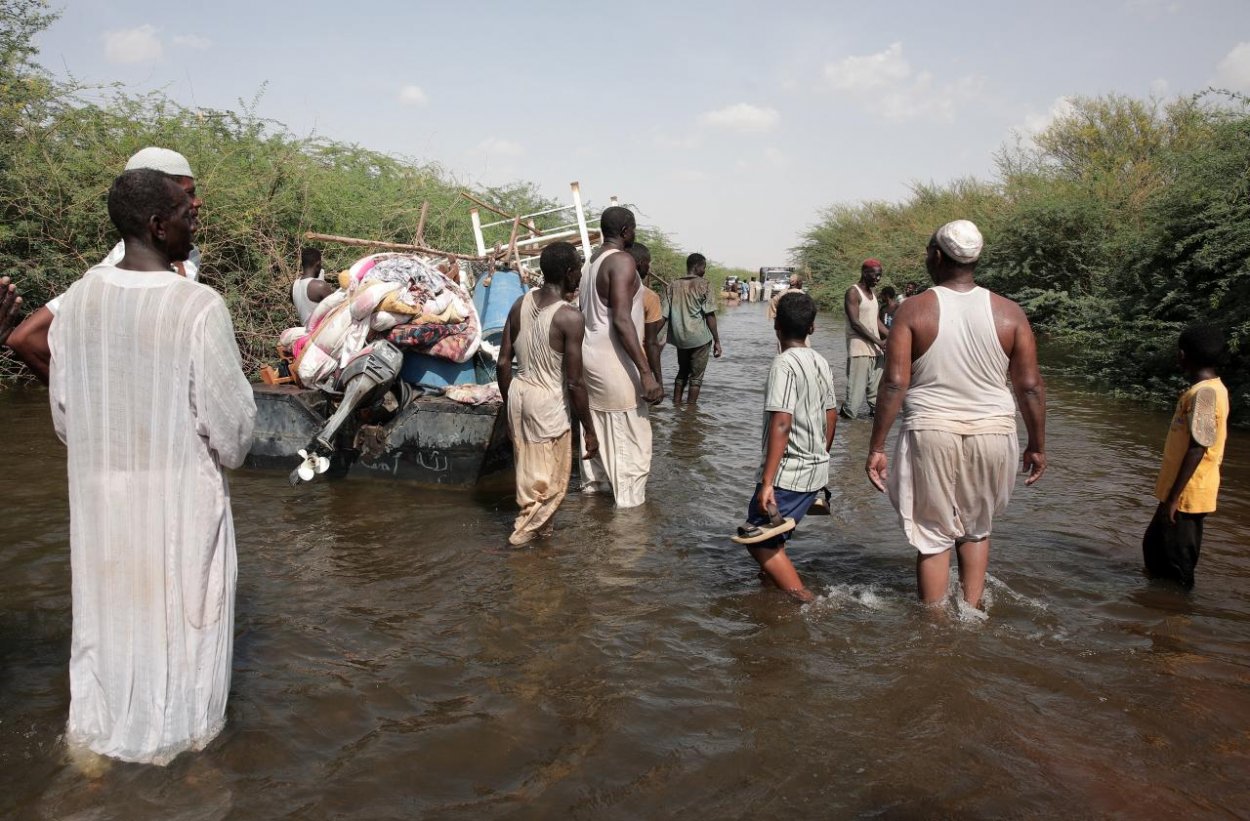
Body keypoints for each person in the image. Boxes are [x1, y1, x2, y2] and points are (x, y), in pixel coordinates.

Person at [49, 168, 256, 764]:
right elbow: (234, 435)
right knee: (187, 626)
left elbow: (65, 418)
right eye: (187, 215)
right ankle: (188, 755)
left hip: (100, 504)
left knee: (108, 617)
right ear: (158, 225)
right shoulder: (197, 306)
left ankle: (92, 747)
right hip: (181, 503)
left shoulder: (77, 299)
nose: (196, 223)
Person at [866, 220, 1046, 608]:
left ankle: (934, 629)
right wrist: (1036, 444)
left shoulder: (914, 310)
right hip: (994, 432)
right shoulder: (1010, 313)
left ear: (936, 256)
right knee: (976, 529)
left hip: (930, 430)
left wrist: (876, 446)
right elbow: (1029, 386)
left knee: (933, 536)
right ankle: (971, 615)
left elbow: (894, 384)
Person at [5, 147, 205, 384]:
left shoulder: (188, 254)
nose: (197, 202)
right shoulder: (117, 270)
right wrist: (78, 399)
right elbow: (26, 339)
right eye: (188, 194)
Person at [734, 292, 837, 602]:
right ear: (812, 328)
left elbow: (781, 422)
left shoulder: (784, 364)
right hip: (814, 471)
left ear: (776, 326)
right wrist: (821, 456)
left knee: (757, 540)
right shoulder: (820, 361)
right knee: (774, 538)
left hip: (788, 475)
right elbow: (831, 415)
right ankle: (770, 599)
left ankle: (807, 601)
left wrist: (767, 483)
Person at [498, 241, 599, 546]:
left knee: (530, 476)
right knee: (550, 485)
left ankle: (542, 548)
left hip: (518, 394)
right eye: (578, 270)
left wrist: (510, 405)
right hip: (547, 404)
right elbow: (575, 383)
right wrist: (590, 430)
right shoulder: (569, 317)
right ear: (568, 272)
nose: (579, 277)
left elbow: (503, 363)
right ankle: (521, 538)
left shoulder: (520, 303)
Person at [578, 206, 664, 508]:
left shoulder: (590, 263)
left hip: (591, 357)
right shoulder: (622, 261)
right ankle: (628, 525)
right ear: (626, 230)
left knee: (599, 434)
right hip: (614, 362)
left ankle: (594, 514)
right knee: (630, 446)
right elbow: (621, 319)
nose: (635, 234)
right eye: (634, 228)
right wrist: (646, 373)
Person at [1143, 325, 1229, 588]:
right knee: (1155, 550)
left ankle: (1177, 611)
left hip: (1186, 496)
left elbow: (1198, 447)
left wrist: (1173, 499)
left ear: (1183, 355)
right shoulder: (1208, 390)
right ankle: (1156, 607)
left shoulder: (1205, 394)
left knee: (1177, 568)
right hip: (1178, 493)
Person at [666, 252, 723, 405]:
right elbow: (710, 315)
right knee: (696, 378)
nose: (704, 271)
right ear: (697, 267)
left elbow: (664, 315)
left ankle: (676, 405)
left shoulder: (673, 285)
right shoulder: (705, 285)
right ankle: (691, 411)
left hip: (681, 338)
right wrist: (717, 341)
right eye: (704, 267)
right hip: (700, 338)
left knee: (682, 372)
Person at [841, 259, 888, 420]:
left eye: (880, 275)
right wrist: (879, 341)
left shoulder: (873, 295)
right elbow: (855, 323)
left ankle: (870, 429)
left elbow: (876, 321)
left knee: (876, 397)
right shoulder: (853, 292)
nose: (878, 279)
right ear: (864, 273)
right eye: (875, 275)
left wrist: (892, 336)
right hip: (859, 349)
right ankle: (846, 428)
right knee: (854, 401)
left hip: (876, 350)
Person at [629, 242, 666, 388]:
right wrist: (658, 381)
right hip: (638, 365)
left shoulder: (604, 292)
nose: (649, 268)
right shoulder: (649, 297)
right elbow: (651, 343)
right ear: (640, 264)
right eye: (648, 264)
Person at [291, 246, 333, 326]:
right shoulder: (320, 286)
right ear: (318, 264)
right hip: (321, 331)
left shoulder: (293, 286)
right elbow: (336, 310)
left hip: (304, 330)